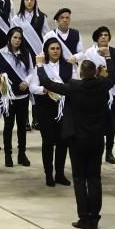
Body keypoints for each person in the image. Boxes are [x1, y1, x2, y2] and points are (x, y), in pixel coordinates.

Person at [38, 59, 115, 229]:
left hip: (77, 140)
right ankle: (95, 216)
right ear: (95, 73)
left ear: (82, 74)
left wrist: (40, 66)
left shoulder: (74, 87)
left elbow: (47, 84)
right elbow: (113, 77)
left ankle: (84, 217)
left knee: (79, 178)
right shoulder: (102, 85)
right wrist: (108, 58)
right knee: (94, 177)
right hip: (97, 139)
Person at [31, 38, 76, 187]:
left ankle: (60, 173)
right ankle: (48, 174)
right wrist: (44, 90)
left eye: (58, 48)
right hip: (46, 109)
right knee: (48, 142)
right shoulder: (40, 67)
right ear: (47, 51)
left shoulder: (69, 66)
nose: (55, 51)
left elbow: (75, 83)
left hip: (65, 109)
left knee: (63, 142)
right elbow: (33, 87)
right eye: (52, 48)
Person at [0, 27, 34, 168]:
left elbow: (31, 71)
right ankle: (8, 155)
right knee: (8, 126)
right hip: (8, 97)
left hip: (22, 96)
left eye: (19, 38)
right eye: (15, 38)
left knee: (22, 127)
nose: (17, 40)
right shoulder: (0, 53)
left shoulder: (26, 53)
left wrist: (27, 82)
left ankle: (22, 154)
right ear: (10, 38)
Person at [83, 27, 115, 164]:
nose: (104, 37)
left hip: (112, 92)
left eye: (106, 35)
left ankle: (109, 152)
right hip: (96, 92)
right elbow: (85, 70)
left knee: (111, 123)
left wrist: (111, 76)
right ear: (96, 38)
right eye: (101, 35)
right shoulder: (90, 52)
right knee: (96, 122)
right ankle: (96, 150)